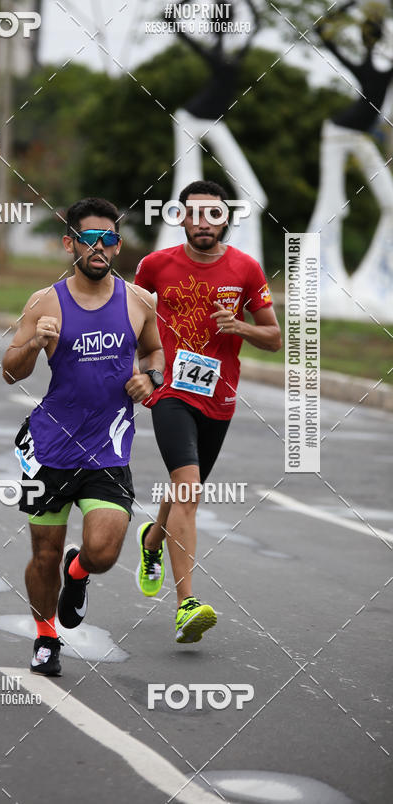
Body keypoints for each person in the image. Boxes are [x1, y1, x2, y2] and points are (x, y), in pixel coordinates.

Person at [2, 197, 164, 676]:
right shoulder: (45, 302)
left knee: (104, 552)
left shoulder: (138, 301)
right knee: (43, 553)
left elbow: (155, 352)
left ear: (117, 245)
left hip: (108, 448)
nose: (99, 247)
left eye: (108, 238)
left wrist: (150, 379)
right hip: (49, 447)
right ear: (69, 243)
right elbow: (10, 372)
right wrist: (35, 342)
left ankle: (79, 573)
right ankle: (47, 637)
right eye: (89, 238)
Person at [134, 180, 282, 644]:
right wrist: (139, 369)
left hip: (219, 397)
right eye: (193, 214)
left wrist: (240, 325)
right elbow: (131, 317)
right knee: (189, 490)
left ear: (225, 219)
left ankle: (152, 542)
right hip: (170, 391)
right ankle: (186, 605)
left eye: (212, 214)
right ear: (180, 218)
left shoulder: (246, 270)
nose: (203, 223)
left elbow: (274, 338)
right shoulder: (155, 266)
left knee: (184, 491)